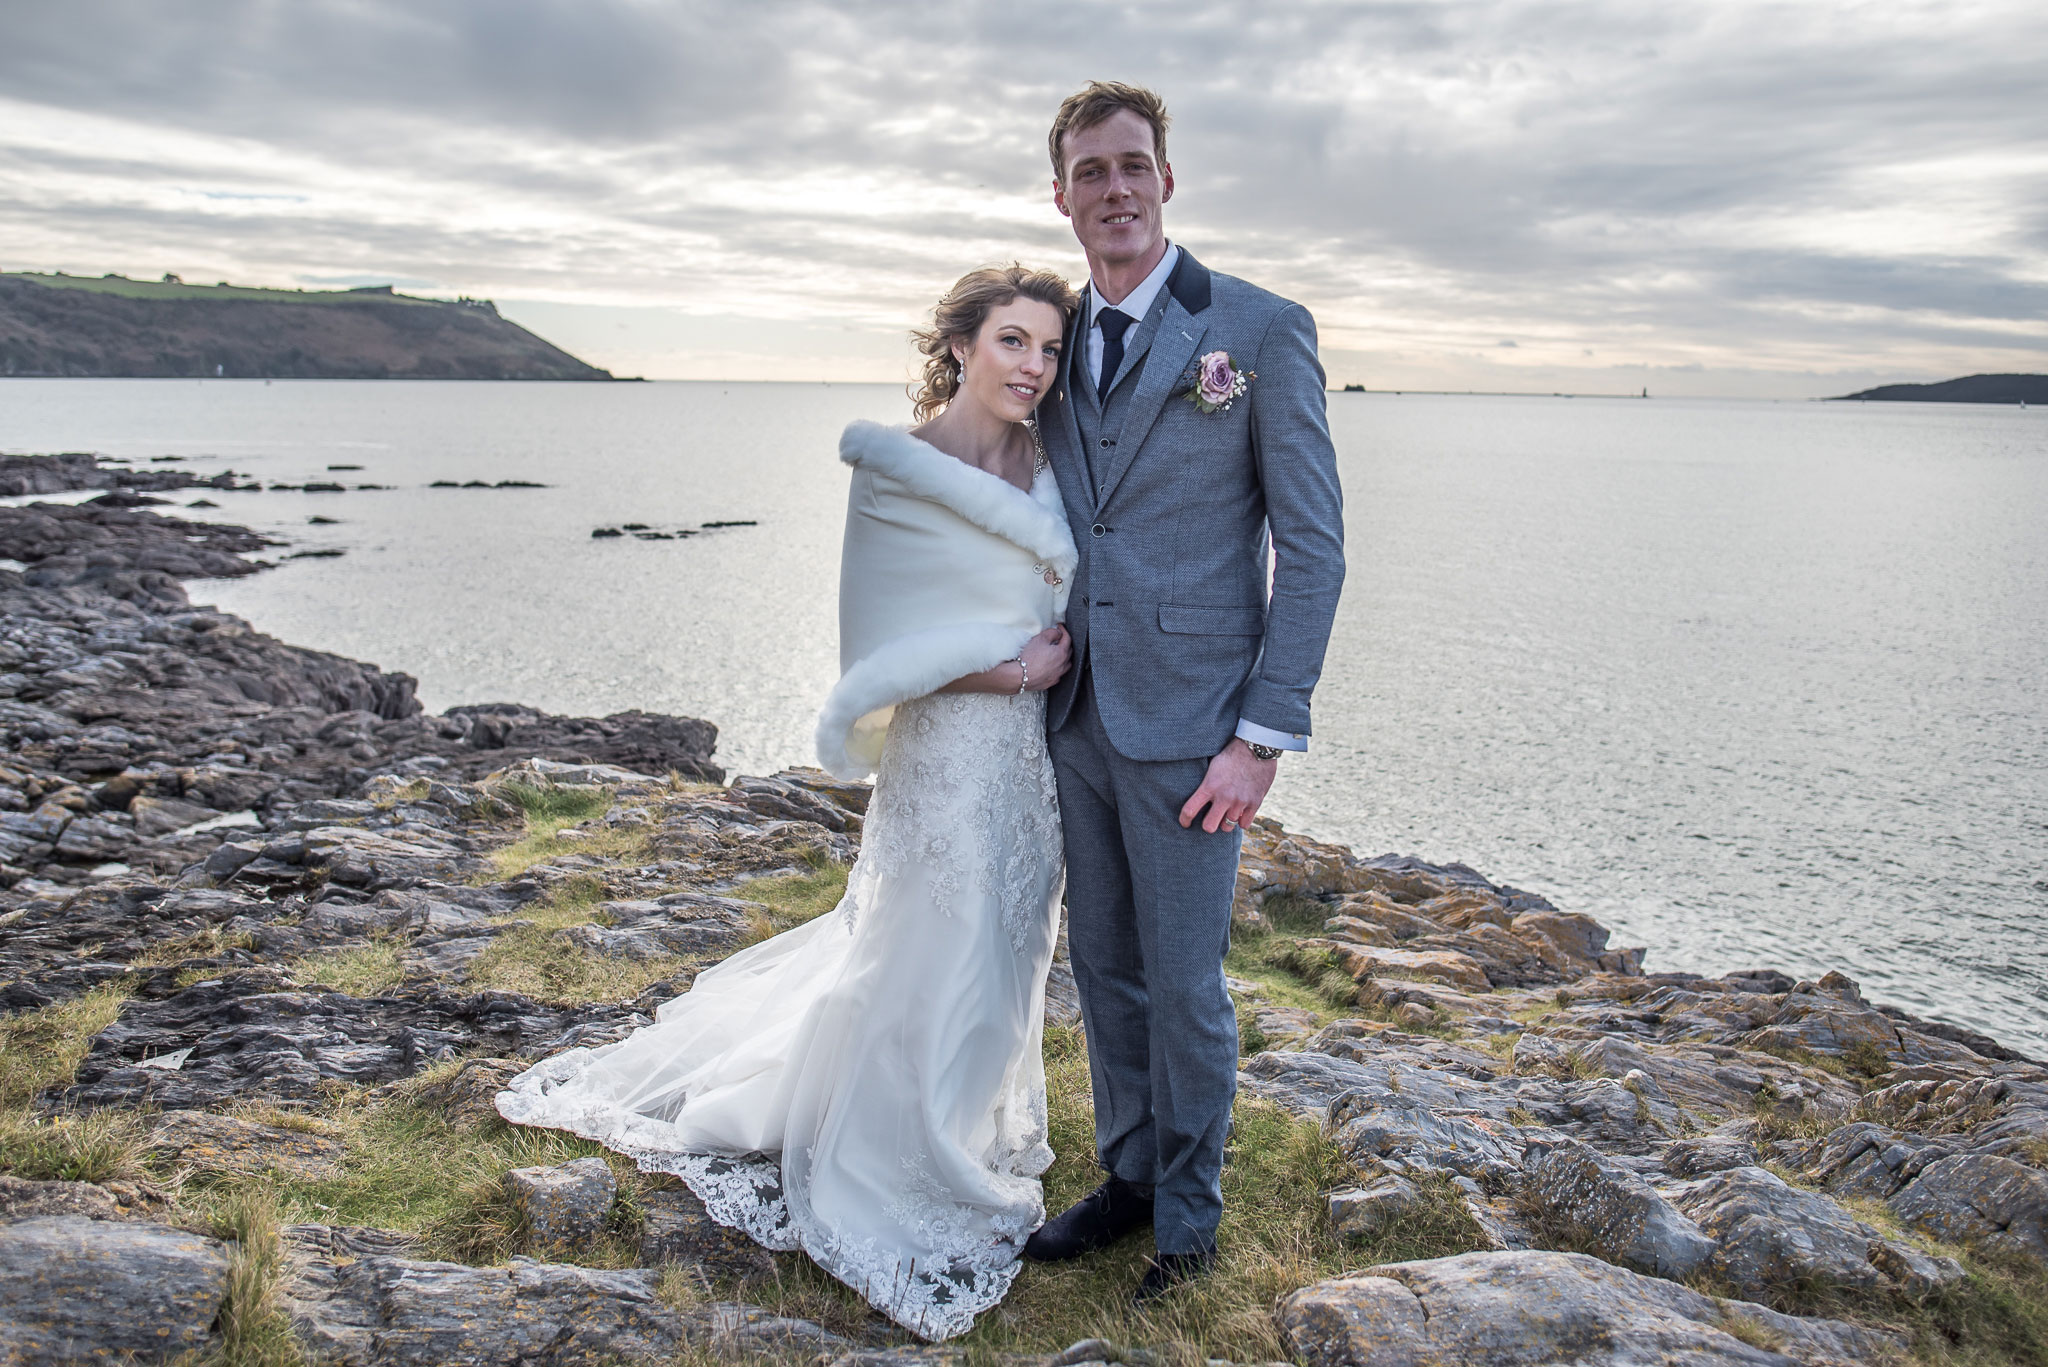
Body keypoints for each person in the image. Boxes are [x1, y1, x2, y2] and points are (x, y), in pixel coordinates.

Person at [497, 265, 1083, 1341]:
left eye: (1048, 347)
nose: (1031, 367)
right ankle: (888, 1148)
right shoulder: (898, 470)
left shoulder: (1055, 460)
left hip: (1030, 760)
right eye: (1011, 340)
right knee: (927, 939)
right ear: (960, 343)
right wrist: (1010, 672)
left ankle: (958, 1122)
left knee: (1008, 945)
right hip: (951, 745)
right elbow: (873, 649)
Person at [1022, 82, 1346, 1302]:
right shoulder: (1048, 341)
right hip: (1076, 714)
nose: (1114, 189)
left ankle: (1191, 1219)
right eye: (1089, 172)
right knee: (1101, 967)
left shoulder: (1257, 331)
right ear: (1060, 197)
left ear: (1167, 180)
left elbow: (1310, 548)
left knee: (1185, 983)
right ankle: (1128, 1176)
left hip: (1196, 725)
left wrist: (1260, 736)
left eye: (1132, 165)